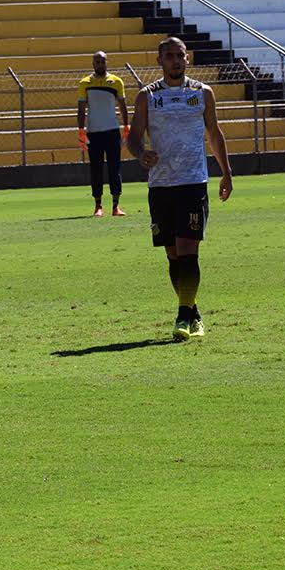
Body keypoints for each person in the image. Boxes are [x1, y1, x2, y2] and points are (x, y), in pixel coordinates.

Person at [126, 36, 232, 341]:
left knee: (188, 251)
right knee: (173, 255)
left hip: (193, 182)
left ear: (188, 58)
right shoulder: (147, 96)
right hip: (161, 185)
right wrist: (140, 153)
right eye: (169, 56)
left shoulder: (202, 93)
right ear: (159, 61)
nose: (175, 60)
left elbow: (215, 133)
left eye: (180, 55)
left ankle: (183, 318)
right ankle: (192, 310)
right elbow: (132, 136)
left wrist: (226, 173)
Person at [77, 51, 129, 217]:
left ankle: (116, 205)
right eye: (97, 61)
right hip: (93, 132)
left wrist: (126, 126)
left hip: (112, 131)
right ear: (93, 63)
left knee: (115, 168)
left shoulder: (116, 82)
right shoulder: (85, 83)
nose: (100, 64)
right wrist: (81, 130)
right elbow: (81, 108)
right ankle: (98, 205)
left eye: (103, 61)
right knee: (96, 169)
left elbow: (122, 105)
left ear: (107, 62)